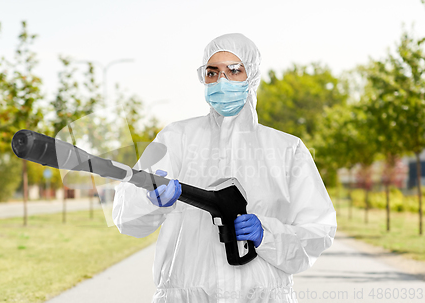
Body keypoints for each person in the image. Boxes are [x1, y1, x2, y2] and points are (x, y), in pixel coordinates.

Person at [113, 33, 337, 303]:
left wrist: (268, 234)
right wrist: (149, 199)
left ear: (251, 76)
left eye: (233, 71)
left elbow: (318, 230)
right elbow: (126, 218)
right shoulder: (176, 138)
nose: (221, 81)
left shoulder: (287, 149)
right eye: (212, 72)